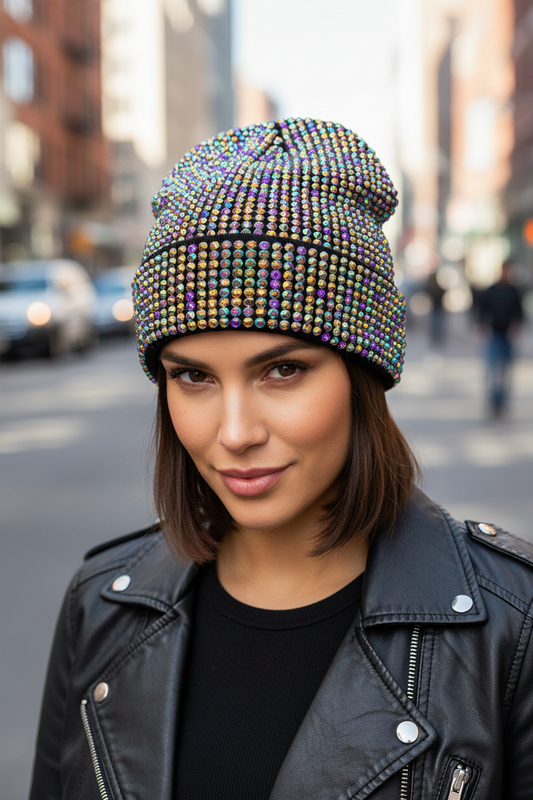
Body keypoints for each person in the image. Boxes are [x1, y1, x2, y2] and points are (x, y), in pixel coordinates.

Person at [30, 119, 533, 800]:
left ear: (363, 376)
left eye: (283, 370)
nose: (235, 432)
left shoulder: (512, 626)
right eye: (193, 376)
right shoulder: (101, 604)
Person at [478, 260, 524, 417]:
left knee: (505, 370)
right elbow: (483, 310)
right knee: (492, 369)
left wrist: (516, 327)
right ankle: (493, 400)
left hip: (508, 336)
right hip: (494, 333)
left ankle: (502, 401)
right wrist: (483, 326)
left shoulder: (514, 291)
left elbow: (519, 313)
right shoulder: (491, 290)